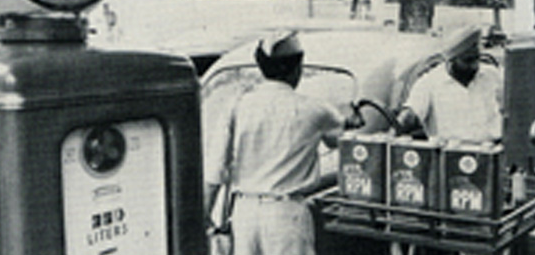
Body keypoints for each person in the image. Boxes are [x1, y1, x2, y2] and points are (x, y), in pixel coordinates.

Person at [203, 32, 361, 255]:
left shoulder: (237, 106)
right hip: (286, 215)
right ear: (297, 68)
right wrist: (351, 120)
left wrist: (205, 212)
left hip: (244, 213)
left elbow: (215, 168)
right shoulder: (314, 109)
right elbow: (338, 137)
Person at [396, 25, 503, 143]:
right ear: (451, 60)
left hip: (491, 151)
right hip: (449, 154)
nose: (474, 65)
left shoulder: (492, 75)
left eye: (477, 58)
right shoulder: (429, 83)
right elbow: (410, 116)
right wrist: (402, 122)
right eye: (467, 60)